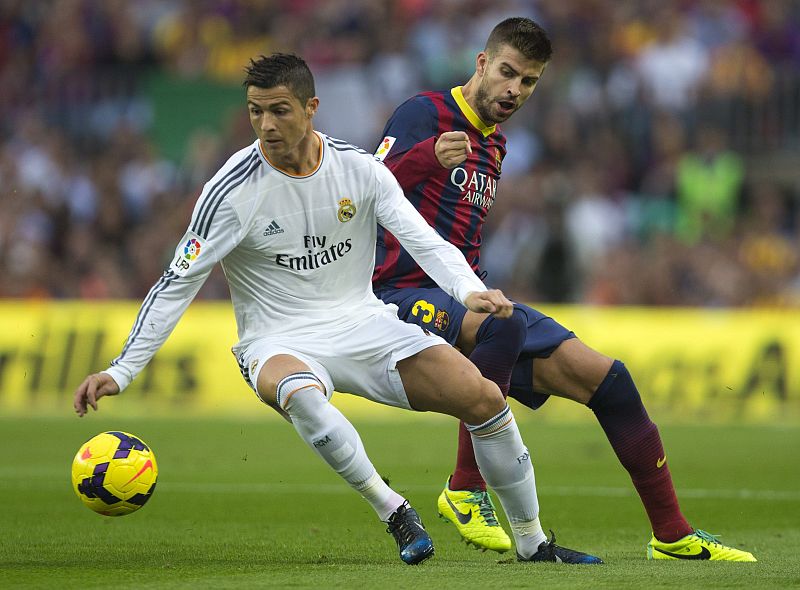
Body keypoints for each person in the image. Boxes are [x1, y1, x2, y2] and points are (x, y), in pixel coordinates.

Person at [73, 53, 602, 566]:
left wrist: (466, 291)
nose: (266, 124)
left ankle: (534, 543)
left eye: (279, 109)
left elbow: (421, 238)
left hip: (363, 322)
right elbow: (176, 282)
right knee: (302, 396)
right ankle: (394, 511)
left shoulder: (358, 170)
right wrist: (123, 369)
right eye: (256, 110)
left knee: (484, 399)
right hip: (276, 338)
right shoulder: (230, 192)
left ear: (311, 108)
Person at [372, 17, 756, 562]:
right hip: (398, 291)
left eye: (528, 82)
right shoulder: (423, 113)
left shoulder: (496, 146)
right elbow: (363, 188)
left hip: (467, 297)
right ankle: (464, 488)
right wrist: (423, 158)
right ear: (482, 63)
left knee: (611, 381)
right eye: (507, 73)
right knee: (503, 328)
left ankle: (672, 535)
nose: (514, 90)